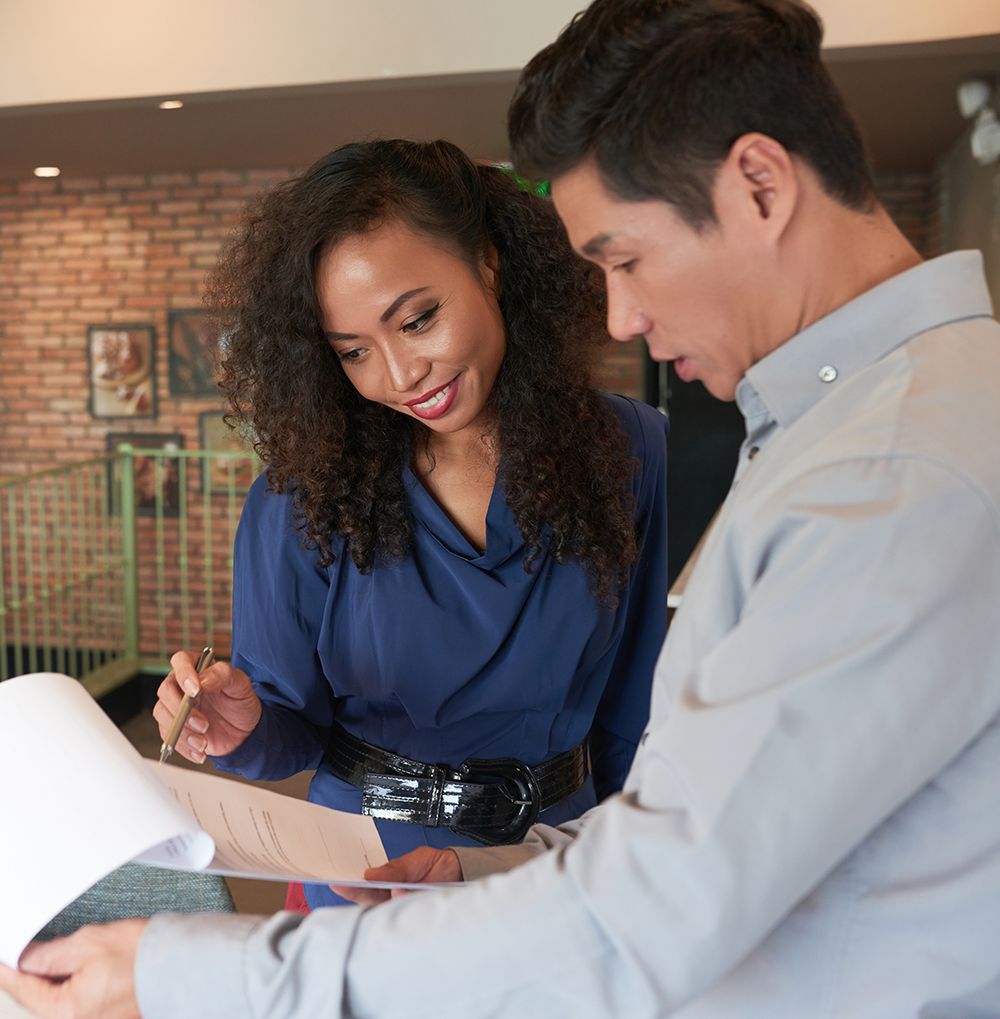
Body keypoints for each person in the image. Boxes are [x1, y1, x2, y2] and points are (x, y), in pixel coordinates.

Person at [3, 0, 999, 1016]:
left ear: (758, 183)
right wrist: (488, 870)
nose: (621, 314)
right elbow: (687, 832)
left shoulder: (879, 465)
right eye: (353, 349)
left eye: (624, 258)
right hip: (457, 879)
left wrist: (184, 972)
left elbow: (656, 878)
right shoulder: (861, 427)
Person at [154, 138, 670, 910]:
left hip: (558, 861)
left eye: (419, 319)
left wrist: (643, 868)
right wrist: (243, 728)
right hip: (366, 872)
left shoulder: (630, 447)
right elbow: (288, 730)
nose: (399, 376)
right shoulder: (298, 498)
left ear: (490, 265)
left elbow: (637, 702)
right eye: (355, 351)